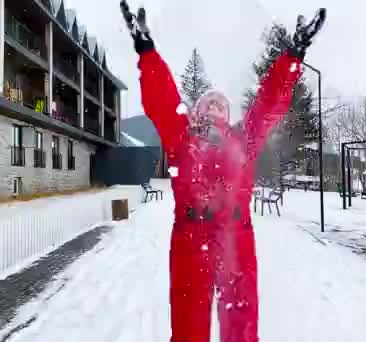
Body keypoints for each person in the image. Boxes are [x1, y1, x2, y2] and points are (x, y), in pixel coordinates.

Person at [120, 2, 326, 341]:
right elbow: (160, 97)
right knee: (188, 327)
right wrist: (146, 49)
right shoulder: (181, 135)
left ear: (227, 113)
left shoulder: (244, 138)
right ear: (197, 110)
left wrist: (294, 55)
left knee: (241, 326)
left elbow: (269, 104)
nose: (214, 105)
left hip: (235, 238)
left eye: (220, 103)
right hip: (190, 237)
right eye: (207, 102)